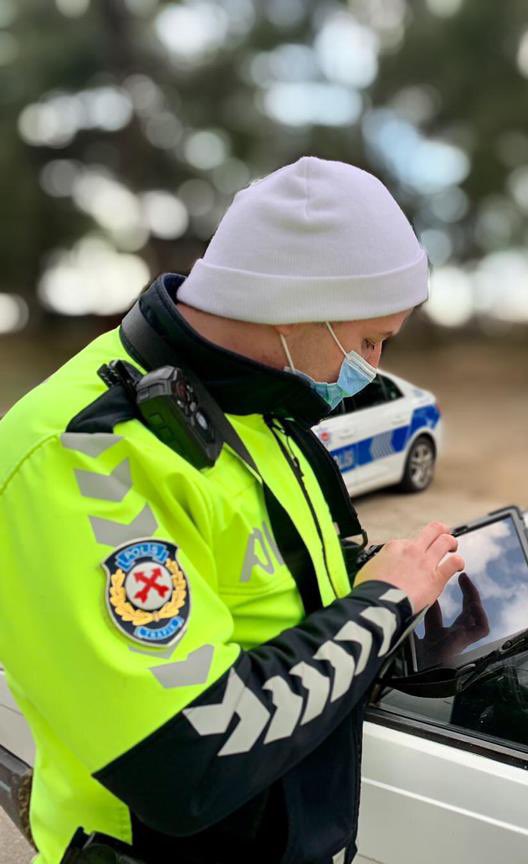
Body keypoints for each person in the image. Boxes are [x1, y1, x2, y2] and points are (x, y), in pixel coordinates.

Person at [0, 157, 466, 864]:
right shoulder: (83, 453)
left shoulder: (261, 402)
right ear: (296, 307)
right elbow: (189, 758)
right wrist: (383, 603)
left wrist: (383, 578)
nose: (372, 366)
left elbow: (277, 593)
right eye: (371, 339)